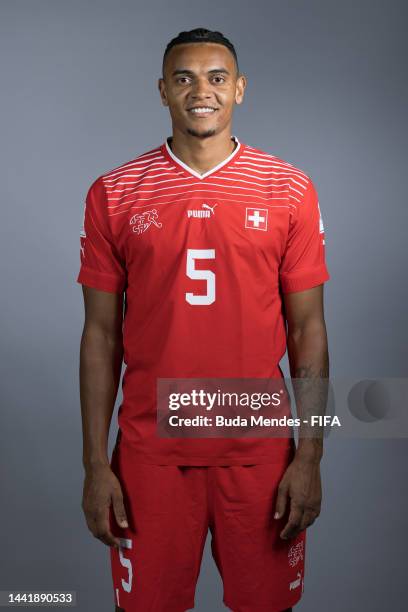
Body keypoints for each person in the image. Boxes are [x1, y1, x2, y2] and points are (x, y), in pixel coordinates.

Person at [77, 27, 330, 612]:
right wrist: (95, 464)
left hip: (260, 454)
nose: (201, 91)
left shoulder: (288, 189)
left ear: (239, 89)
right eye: (184, 78)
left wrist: (310, 455)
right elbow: (100, 336)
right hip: (150, 455)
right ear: (162, 90)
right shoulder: (115, 192)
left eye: (217, 78)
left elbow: (307, 331)